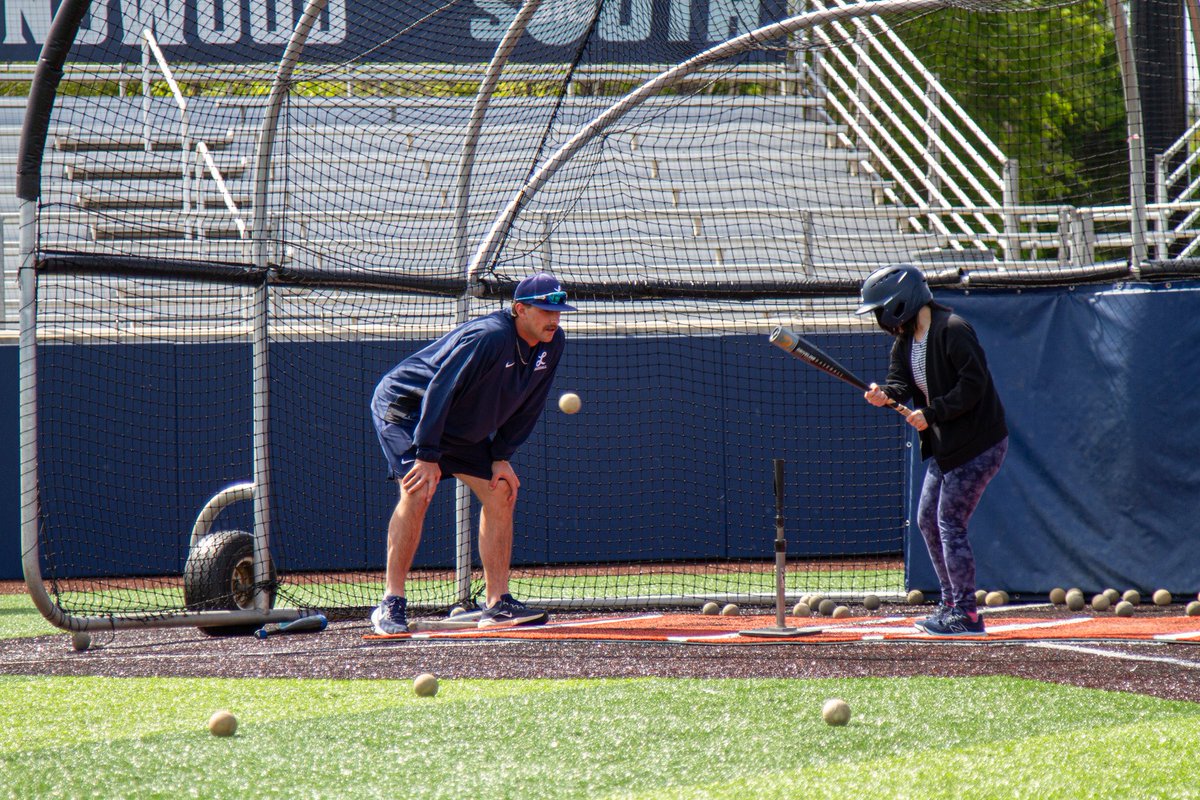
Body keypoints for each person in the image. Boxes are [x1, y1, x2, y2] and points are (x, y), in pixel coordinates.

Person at [368, 272, 576, 634]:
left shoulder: (552, 343)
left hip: (457, 420)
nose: (553, 318)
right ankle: (391, 601)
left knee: (501, 490)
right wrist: (428, 455)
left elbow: (531, 402)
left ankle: (497, 604)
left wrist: (501, 454)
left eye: (558, 310)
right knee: (418, 490)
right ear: (520, 309)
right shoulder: (490, 337)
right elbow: (440, 389)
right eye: (544, 310)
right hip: (409, 409)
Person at [855, 264, 1007, 637]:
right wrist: (885, 395)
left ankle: (967, 615)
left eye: (881, 308)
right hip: (948, 447)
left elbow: (973, 386)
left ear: (902, 302)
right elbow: (898, 382)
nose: (880, 318)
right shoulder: (906, 340)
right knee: (928, 520)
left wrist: (931, 413)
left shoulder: (953, 330)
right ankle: (951, 604)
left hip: (979, 443)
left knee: (949, 523)